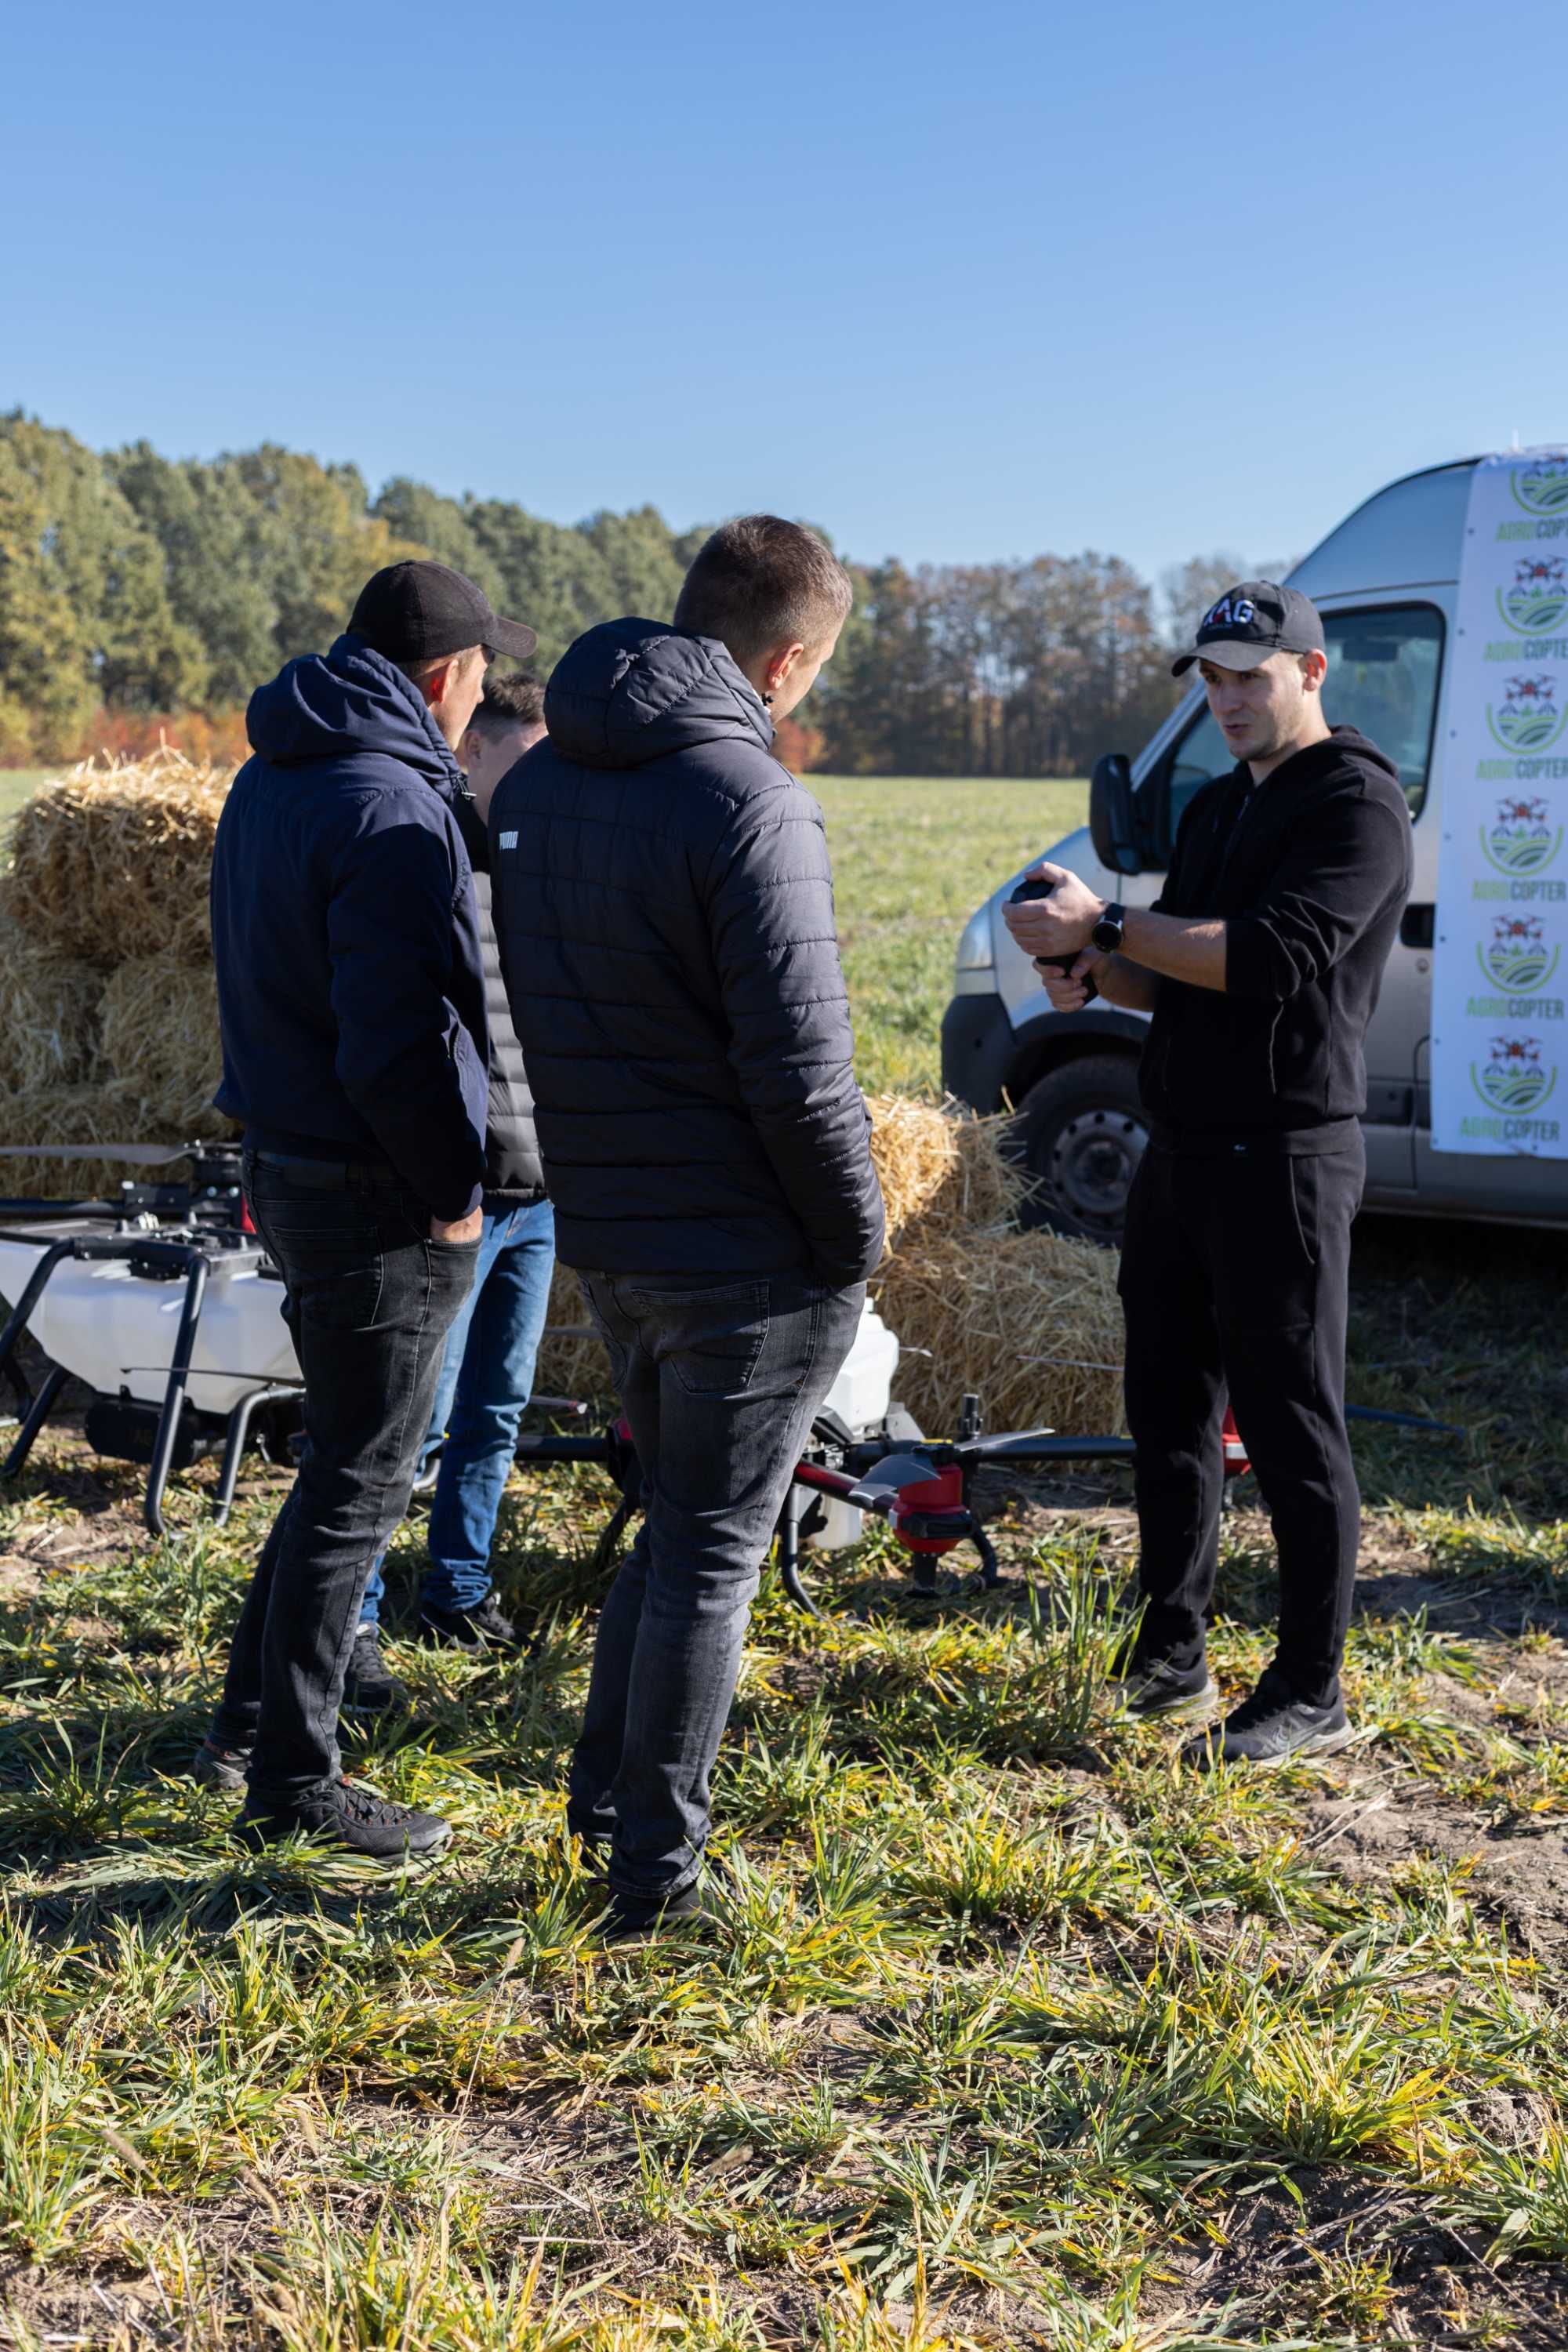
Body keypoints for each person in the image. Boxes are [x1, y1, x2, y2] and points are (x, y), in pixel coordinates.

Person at [490, 516, 884, 1935]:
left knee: (670, 1532)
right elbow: (803, 1069)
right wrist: (857, 1236)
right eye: (818, 671)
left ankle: (607, 1799)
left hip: (612, 1226)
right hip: (743, 1249)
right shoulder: (748, 799)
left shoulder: (541, 780)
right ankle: (655, 1877)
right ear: (785, 660)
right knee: (711, 1555)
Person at [1004, 582, 1413, 1768]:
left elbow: (1273, 962)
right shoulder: (1219, 806)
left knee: (1291, 1423)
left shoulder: (1358, 804)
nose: (1229, 699)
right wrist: (1084, 961)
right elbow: (1169, 973)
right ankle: (1170, 1651)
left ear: (1312, 672)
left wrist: (1115, 929)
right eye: (1215, 679)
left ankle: (1310, 1689)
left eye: (1252, 676)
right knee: (1167, 1412)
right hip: (1182, 1147)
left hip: (1285, 1152)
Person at [194, 560, 537, 1860]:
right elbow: (393, 1043)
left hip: (283, 1156)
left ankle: (246, 1724)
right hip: (370, 1183)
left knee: (337, 1462)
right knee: (363, 1481)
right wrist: (454, 1198)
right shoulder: (395, 802)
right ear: (449, 680)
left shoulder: (272, 771)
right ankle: (298, 1781)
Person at [350, 674, 554, 1686]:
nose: (536, 789)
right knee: (416, 1419)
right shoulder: (424, 859)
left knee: (496, 1408)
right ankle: (362, 1619)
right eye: (522, 765)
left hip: (540, 1191)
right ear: (469, 750)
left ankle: (457, 1590)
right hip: (459, 1196)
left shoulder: (549, 868)